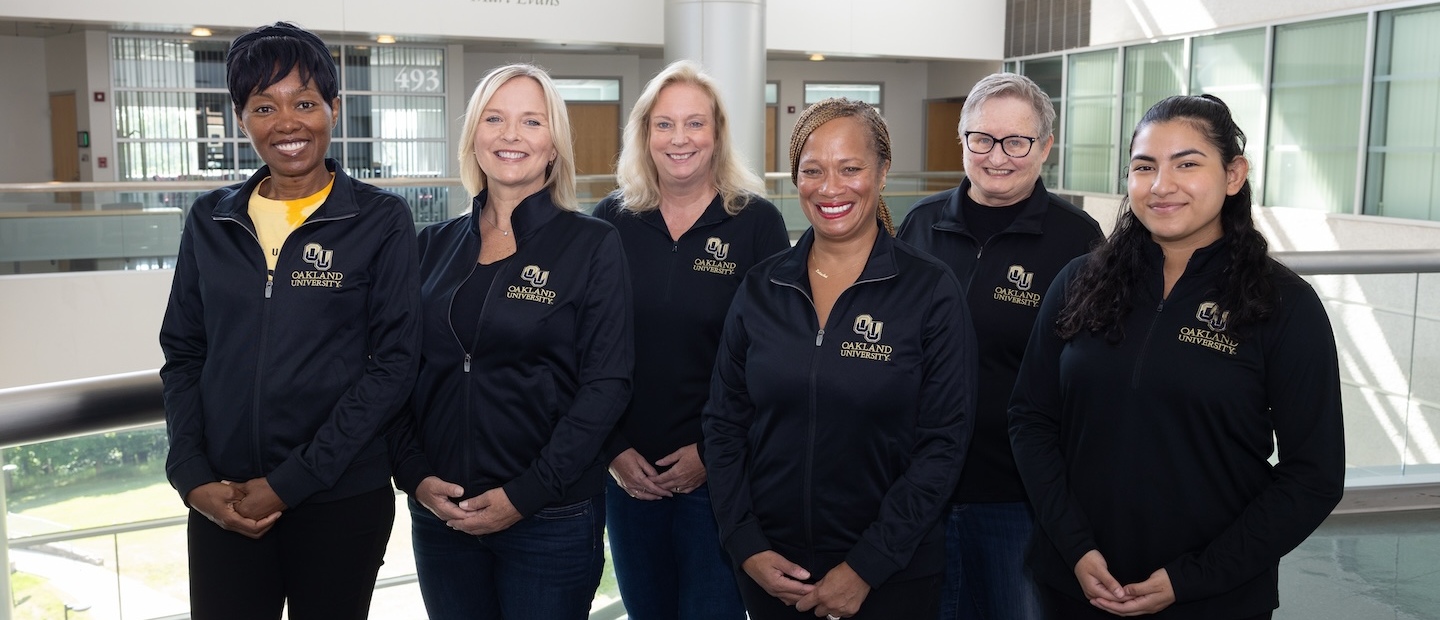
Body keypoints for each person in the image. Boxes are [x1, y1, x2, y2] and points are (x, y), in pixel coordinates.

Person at [1008, 94, 1345, 619]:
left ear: (1234, 174)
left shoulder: (1282, 305)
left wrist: (1194, 578)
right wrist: (1074, 546)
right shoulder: (1079, 281)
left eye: (1187, 164)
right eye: (1145, 167)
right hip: (1075, 584)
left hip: (1213, 598)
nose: (1161, 185)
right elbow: (1031, 418)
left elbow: (1314, 475)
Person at [159, 22, 421, 620]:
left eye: (304, 103)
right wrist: (191, 474)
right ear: (241, 117)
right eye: (263, 106)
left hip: (339, 497)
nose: (287, 123)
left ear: (333, 107)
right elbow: (184, 350)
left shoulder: (381, 220)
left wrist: (291, 481)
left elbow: (395, 364)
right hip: (224, 497)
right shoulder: (210, 218)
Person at [703, 97, 977, 620]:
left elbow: (943, 444)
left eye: (850, 168)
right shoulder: (764, 286)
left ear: (882, 171)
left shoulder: (930, 291)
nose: (831, 188)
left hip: (891, 576)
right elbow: (724, 422)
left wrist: (867, 567)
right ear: (795, 177)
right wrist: (745, 545)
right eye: (813, 170)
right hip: (771, 570)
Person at [385, 63, 633, 620]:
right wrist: (416, 476)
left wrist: (526, 494)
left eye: (531, 121)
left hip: (550, 517)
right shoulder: (432, 246)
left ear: (553, 146)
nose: (510, 135)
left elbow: (607, 385)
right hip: (440, 515)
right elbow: (397, 370)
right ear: (474, 137)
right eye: (494, 119)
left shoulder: (593, 245)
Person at [896, 72, 1101, 620]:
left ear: (1046, 147)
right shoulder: (919, 226)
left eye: (1017, 141)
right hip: (918, 494)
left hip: (1019, 499)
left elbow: (1091, 380)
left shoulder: (1078, 242)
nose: (998, 156)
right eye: (982, 139)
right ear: (962, 141)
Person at [594, 60, 789, 620]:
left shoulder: (756, 224)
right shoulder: (611, 221)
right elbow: (587, 346)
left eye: (695, 124)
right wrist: (612, 450)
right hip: (630, 476)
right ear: (644, 134)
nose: (680, 139)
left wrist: (710, 454)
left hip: (721, 475)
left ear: (718, 133)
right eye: (664, 124)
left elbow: (775, 357)